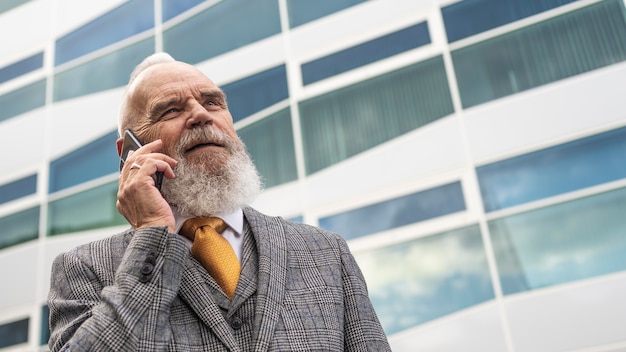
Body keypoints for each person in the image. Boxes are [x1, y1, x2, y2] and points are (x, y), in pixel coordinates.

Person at [47, 52, 391, 351]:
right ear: (129, 152)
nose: (201, 115)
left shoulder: (326, 251)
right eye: (171, 110)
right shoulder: (83, 268)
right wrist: (152, 235)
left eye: (212, 102)